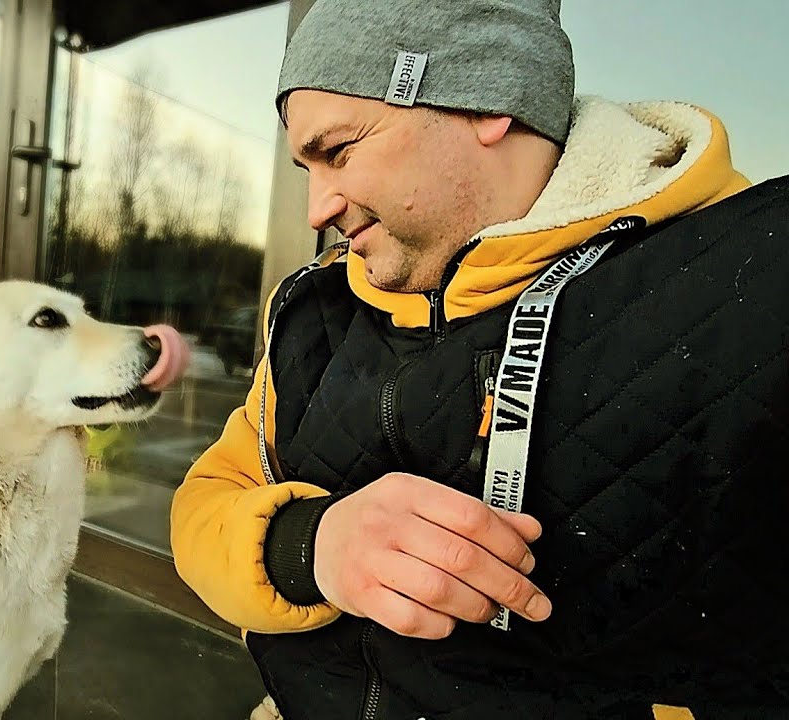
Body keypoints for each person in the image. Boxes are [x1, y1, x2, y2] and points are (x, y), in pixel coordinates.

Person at [169, 0, 789, 718]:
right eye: (305, 166)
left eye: (338, 151)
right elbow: (204, 502)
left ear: (486, 98)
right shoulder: (317, 311)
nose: (317, 207)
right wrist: (312, 546)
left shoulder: (750, 280)